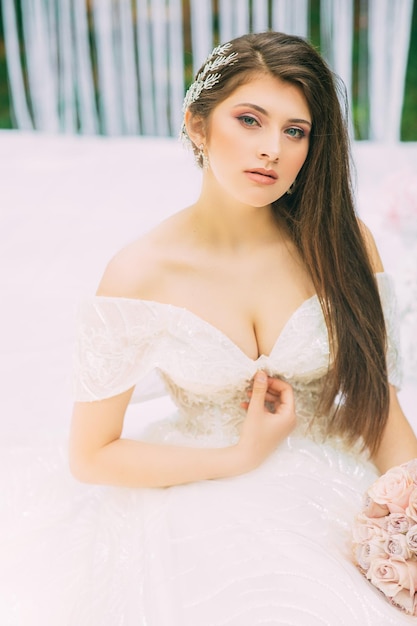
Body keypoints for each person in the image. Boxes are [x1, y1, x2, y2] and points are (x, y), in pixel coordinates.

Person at [67, 31, 417, 624]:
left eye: (295, 130)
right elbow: (91, 454)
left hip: (334, 479)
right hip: (201, 489)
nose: (272, 150)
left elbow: (378, 406)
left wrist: (409, 514)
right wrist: (240, 455)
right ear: (197, 126)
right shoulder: (140, 272)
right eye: (249, 120)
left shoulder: (343, 243)